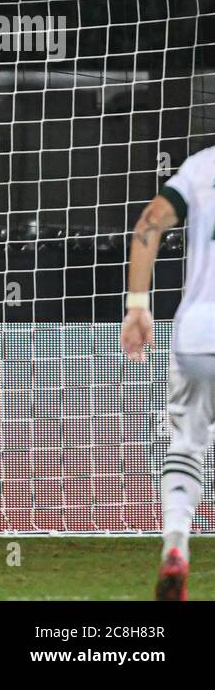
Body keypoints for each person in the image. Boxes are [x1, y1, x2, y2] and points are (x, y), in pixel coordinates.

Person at [121, 146, 215, 600]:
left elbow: (149, 222)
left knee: (187, 442)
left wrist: (137, 307)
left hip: (198, 333)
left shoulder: (201, 166)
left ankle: (176, 544)